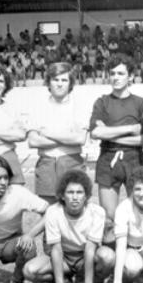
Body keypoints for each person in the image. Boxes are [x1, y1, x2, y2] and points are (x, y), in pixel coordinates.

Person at [23, 170, 115, 283]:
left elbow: (90, 250)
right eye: (70, 192)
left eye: (79, 192)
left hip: (85, 257)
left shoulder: (96, 212)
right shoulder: (53, 212)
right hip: (64, 258)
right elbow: (56, 250)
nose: (75, 197)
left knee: (108, 256)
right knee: (29, 270)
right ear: (62, 195)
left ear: (86, 196)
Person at [89, 54, 143, 246]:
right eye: (112, 73)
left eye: (121, 73)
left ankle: (137, 258)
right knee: (108, 217)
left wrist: (110, 133)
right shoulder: (102, 102)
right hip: (108, 158)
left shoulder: (141, 103)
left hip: (135, 159)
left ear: (130, 76)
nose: (116, 77)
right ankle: (111, 260)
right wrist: (129, 129)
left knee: (139, 211)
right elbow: (96, 132)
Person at [27, 62, 87, 203]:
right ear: (49, 82)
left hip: (72, 162)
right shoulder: (38, 107)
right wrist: (67, 137)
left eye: (64, 80)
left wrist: (47, 134)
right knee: (48, 212)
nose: (60, 84)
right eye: (55, 79)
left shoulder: (78, 105)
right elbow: (33, 141)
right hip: (47, 164)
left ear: (70, 83)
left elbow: (79, 139)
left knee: (74, 209)